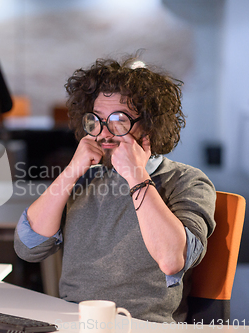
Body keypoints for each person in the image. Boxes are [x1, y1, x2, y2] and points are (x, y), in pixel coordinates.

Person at [13, 56, 216, 323]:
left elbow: (172, 260)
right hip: (74, 323)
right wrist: (72, 170)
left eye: (119, 120)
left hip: (142, 326)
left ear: (150, 125)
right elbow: (29, 246)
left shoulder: (186, 181)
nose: (104, 133)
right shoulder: (84, 179)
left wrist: (136, 176)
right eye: (96, 120)